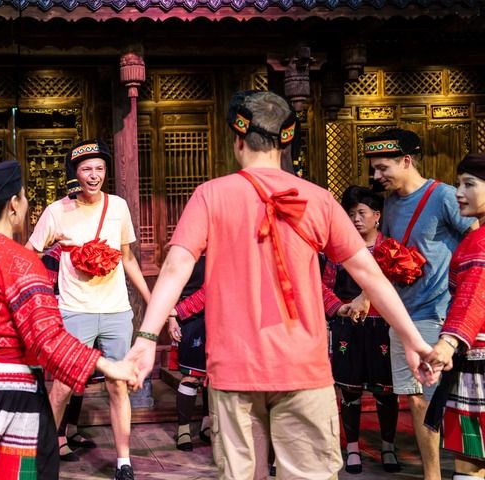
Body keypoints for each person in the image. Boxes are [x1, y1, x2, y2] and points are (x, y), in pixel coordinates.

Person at [124, 90, 440, 480]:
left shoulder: (210, 195)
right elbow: (370, 274)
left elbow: (175, 267)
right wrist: (413, 339)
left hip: (235, 369)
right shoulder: (319, 199)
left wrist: (145, 339)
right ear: (286, 142)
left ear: (238, 139)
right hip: (304, 369)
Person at [0, 160, 137, 480]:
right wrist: (109, 367)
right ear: (14, 206)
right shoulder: (19, 259)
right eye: (23, 197)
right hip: (14, 392)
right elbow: (46, 336)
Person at [26, 139, 150, 480]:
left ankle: (124, 462)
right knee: (62, 387)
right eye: (86, 169)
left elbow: (127, 258)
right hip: (74, 311)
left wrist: (152, 300)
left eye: (99, 169)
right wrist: (39, 296)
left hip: (116, 311)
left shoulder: (118, 207)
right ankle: (43, 459)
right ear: (75, 173)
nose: (93, 175)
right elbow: (29, 253)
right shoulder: (57, 211)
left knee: (117, 385)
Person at [363, 129, 476, 480]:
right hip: (402, 314)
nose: (377, 176)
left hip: (436, 313)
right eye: (374, 169)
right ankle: (433, 474)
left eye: (383, 168)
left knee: (432, 396)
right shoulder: (390, 204)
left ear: (407, 161)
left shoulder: (443, 196)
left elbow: (475, 237)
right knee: (413, 398)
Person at [321, 186, 400, 474]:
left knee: (386, 391)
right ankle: (353, 447)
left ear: (377, 216)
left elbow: (400, 287)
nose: (355, 219)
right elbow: (324, 287)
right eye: (351, 213)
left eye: (361, 213)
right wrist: (339, 308)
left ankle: (388, 446)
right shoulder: (338, 251)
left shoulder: (390, 248)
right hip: (347, 325)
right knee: (349, 389)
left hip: (383, 326)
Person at [424, 153, 485, 480]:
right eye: (458, 183)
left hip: (478, 360)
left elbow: (474, 296)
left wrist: (448, 343)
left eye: (469, 184)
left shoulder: (480, 242)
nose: (459, 192)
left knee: (471, 459)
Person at [166, 255, 210, 452]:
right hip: (188, 317)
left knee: (214, 375)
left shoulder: (221, 248)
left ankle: (208, 422)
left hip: (218, 312)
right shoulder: (183, 252)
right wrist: (171, 317)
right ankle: (183, 428)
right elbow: (170, 284)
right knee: (191, 376)